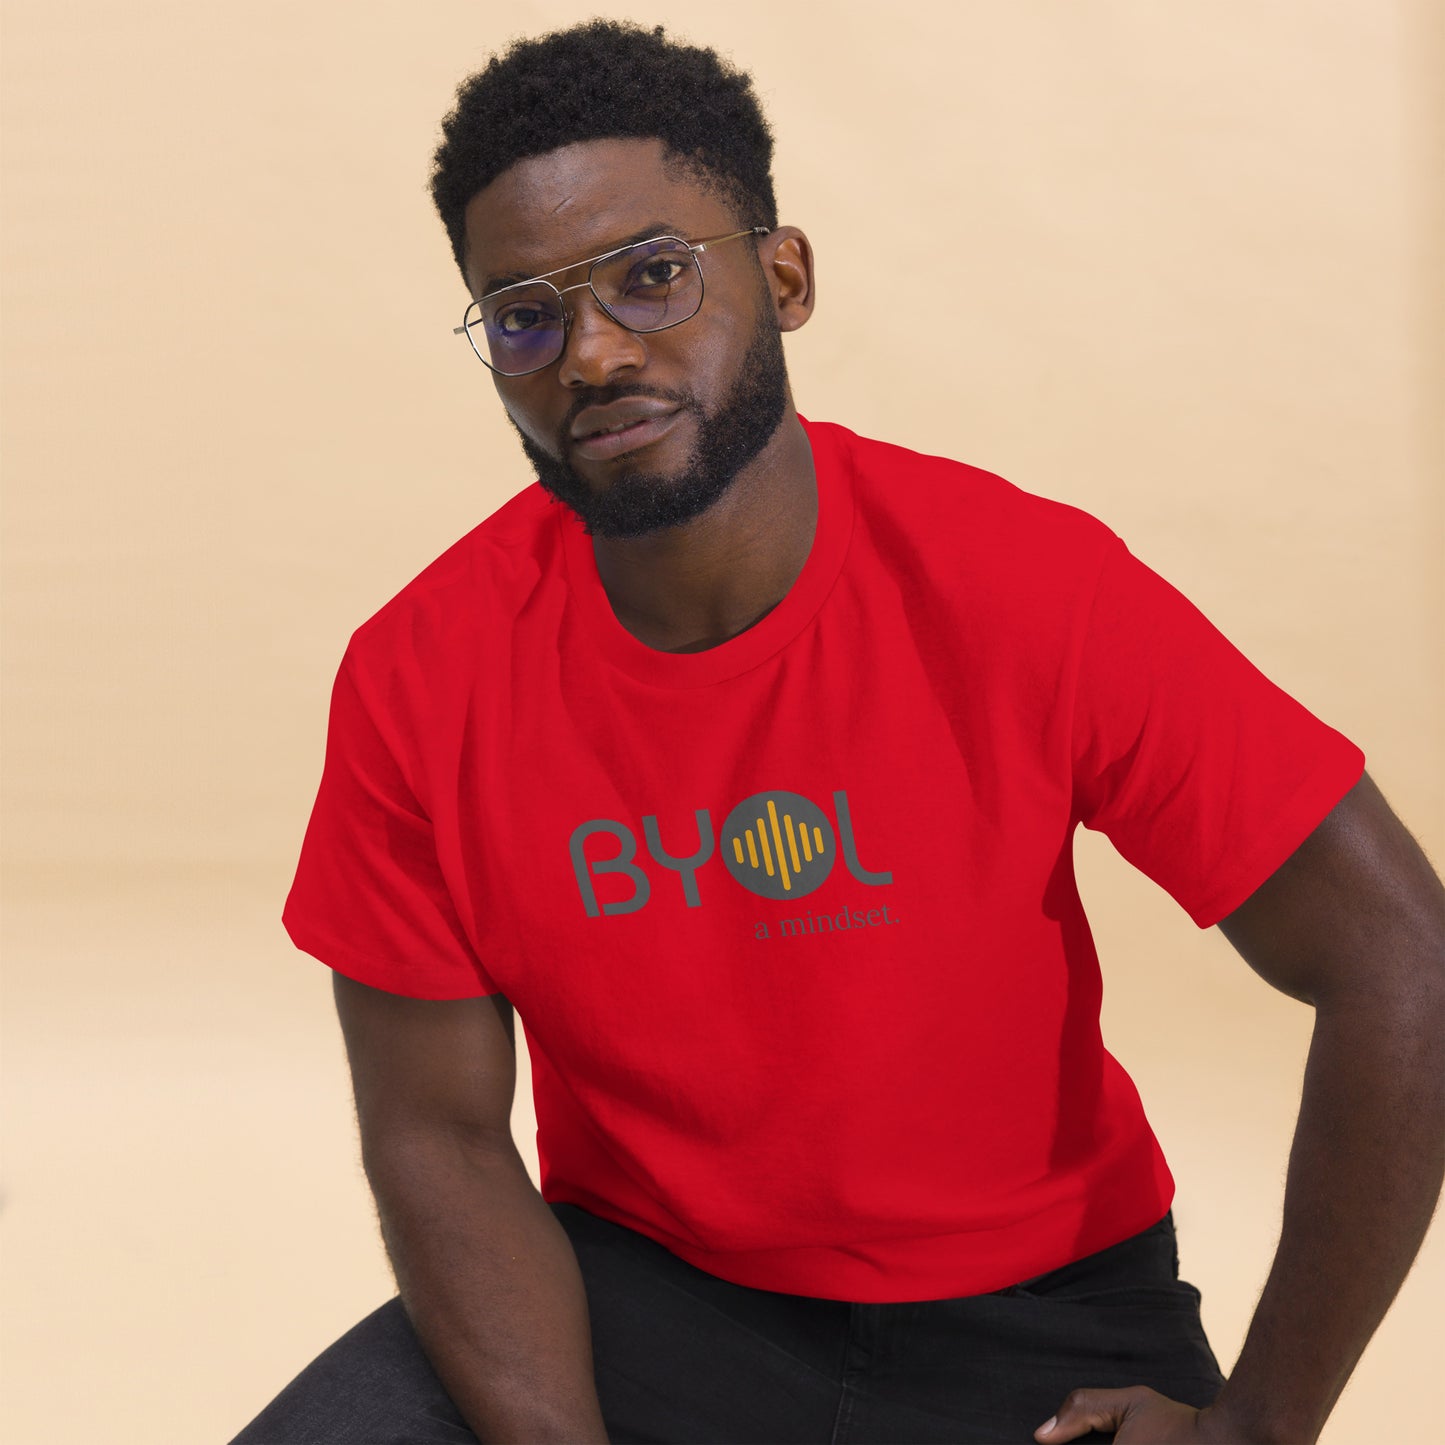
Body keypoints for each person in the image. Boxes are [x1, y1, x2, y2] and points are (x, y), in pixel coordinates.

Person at [232, 20, 1445, 1445]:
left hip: (1036, 1323)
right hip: (645, 1299)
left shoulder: (1021, 587)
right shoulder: (417, 673)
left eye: (653, 275)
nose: (594, 352)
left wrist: (1259, 1423)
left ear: (783, 276)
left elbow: (1399, 958)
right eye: (523, 316)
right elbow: (433, 1129)